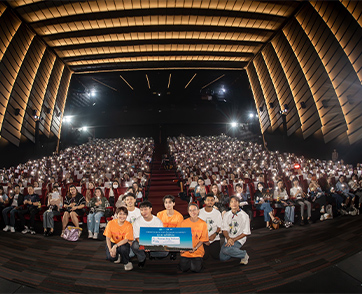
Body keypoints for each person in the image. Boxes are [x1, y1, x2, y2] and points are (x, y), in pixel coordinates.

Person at [131, 201, 168, 268]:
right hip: (142, 242)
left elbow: (160, 236)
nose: (143, 212)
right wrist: (145, 245)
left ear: (151, 209)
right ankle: (142, 258)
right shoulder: (137, 221)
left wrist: (151, 246)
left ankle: (152, 254)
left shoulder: (157, 221)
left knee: (165, 252)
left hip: (154, 242)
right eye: (141, 210)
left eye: (146, 209)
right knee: (135, 246)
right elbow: (137, 237)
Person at [219, 196, 251, 264]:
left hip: (239, 239)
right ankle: (234, 251)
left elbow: (246, 232)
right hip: (228, 238)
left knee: (226, 250)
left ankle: (244, 254)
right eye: (232, 202)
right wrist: (228, 238)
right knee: (222, 258)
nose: (234, 203)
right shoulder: (227, 214)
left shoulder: (244, 216)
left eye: (236, 201)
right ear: (229, 204)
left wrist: (233, 239)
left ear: (239, 203)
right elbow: (224, 229)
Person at [179, 203, 209, 272]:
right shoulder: (183, 223)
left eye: (194, 210)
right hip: (186, 251)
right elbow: (181, 238)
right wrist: (182, 248)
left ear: (198, 211)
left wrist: (195, 248)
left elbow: (203, 239)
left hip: (197, 250)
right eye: (190, 210)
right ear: (188, 212)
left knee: (196, 269)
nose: (193, 212)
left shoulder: (203, 223)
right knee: (183, 269)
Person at [104, 206, 133, 271]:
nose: (122, 216)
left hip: (123, 243)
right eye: (120, 214)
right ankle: (117, 255)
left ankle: (126, 262)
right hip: (113, 242)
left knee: (123, 249)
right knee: (111, 258)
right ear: (116, 215)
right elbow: (107, 238)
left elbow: (126, 240)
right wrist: (110, 249)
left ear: (127, 215)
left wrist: (115, 247)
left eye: (124, 214)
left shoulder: (128, 225)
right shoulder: (110, 223)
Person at [157, 195, 184, 260]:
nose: (168, 204)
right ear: (164, 204)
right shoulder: (159, 214)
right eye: (166, 202)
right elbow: (157, 228)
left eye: (170, 202)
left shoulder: (179, 216)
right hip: (162, 235)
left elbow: (179, 231)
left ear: (173, 203)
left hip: (173, 236)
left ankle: (173, 252)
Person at [198, 194, 222, 260]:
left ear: (214, 202)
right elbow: (197, 227)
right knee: (204, 256)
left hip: (214, 238)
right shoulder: (199, 212)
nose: (210, 202)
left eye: (212, 200)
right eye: (208, 200)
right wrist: (204, 239)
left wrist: (215, 234)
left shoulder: (217, 213)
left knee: (216, 256)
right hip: (202, 238)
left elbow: (219, 227)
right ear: (204, 201)